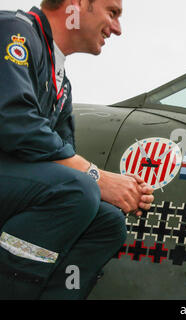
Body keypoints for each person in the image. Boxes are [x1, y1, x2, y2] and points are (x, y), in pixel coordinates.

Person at [0, 0, 154, 299]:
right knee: (77, 190)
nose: (118, 29)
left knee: (108, 221)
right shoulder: (13, 32)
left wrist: (120, 190)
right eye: (112, 12)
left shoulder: (62, 84)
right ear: (78, 4)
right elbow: (12, 120)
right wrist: (99, 179)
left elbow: (62, 155)